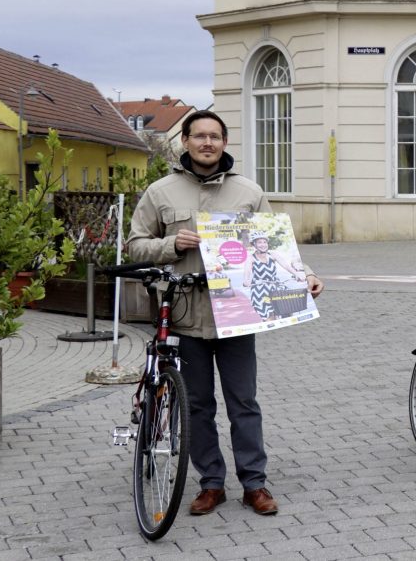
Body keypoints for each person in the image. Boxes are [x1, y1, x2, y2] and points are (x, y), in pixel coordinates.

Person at [126, 110, 324, 517]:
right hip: (186, 315)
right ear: (185, 141)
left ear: (225, 142)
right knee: (197, 404)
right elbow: (135, 245)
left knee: (243, 402)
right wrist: (170, 245)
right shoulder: (160, 192)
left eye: (214, 136)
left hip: (238, 314)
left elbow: (276, 245)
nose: (207, 143)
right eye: (199, 136)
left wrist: (305, 274)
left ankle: (255, 483)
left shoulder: (248, 192)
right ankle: (211, 483)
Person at [242, 231, 305, 320]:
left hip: (275, 285)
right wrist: (246, 281)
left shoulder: (272, 254)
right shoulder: (251, 258)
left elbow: (286, 265)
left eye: (265, 242)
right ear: (254, 244)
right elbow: (247, 273)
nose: (263, 244)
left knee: (289, 305)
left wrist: (296, 274)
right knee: (269, 314)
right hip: (259, 288)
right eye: (259, 242)